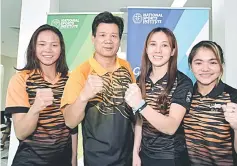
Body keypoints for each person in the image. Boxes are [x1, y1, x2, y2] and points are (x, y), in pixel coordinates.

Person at [61, 11, 135, 166]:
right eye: (102, 35)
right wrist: (83, 96)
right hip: (97, 160)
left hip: (128, 158)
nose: (108, 40)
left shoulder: (126, 67)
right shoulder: (80, 73)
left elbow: (134, 111)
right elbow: (70, 121)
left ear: (119, 40)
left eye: (114, 36)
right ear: (93, 39)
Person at [5, 24, 78, 166]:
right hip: (29, 161)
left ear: (61, 49)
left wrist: (73, 159)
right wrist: (36, 107)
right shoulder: (21, 79)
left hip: (63, 160)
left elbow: (72, 126)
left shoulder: (70, 79)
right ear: (34, 48)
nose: (48, 50)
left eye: (54, 45)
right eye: (42, 44)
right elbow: (20, 132)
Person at [124, 27, 193, 166]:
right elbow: (140, 120)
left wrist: (140, 104)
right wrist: (135, 151)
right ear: (147, 48)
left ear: (173, 51)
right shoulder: (141, 79)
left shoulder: (183, 82)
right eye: (153, 44)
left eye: (165, 45)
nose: (158, 50)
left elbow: (171, 126)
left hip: (171, 157)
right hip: (146, 155)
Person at [184, 40, 237, 166]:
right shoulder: (185, 96)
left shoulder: (233, 97)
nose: (205, 69)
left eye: (212, 62)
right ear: (191, 66)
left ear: (221, 65)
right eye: (198, 63)